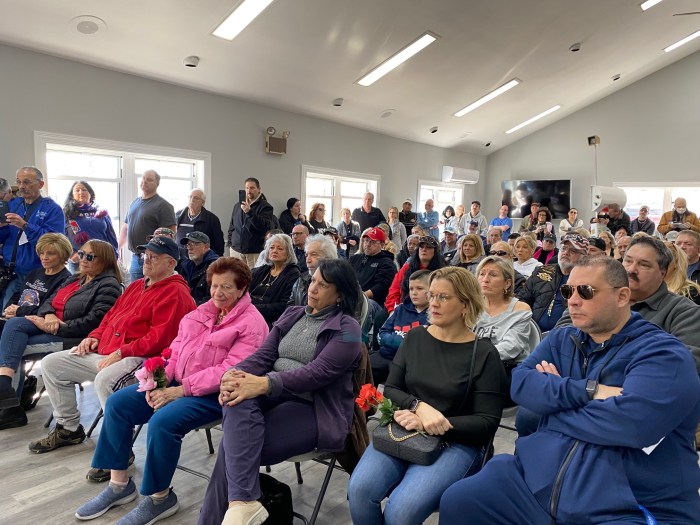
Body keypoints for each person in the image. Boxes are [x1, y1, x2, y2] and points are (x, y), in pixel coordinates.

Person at [440, 256, 700, 525]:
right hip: (536, 482)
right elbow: (520, 383)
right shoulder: (562, 338)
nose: (573, 300)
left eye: (586, 291)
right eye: (568, 291)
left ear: (622, 296)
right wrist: (589, 391)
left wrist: (552, 408)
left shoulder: (662, 354)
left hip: (626, 505)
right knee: (462, 499)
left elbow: (632, 426)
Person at [74, 258, 269, 524]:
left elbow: (228, 371)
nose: (217, 293)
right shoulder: (202, 312)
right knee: (119, 403)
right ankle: (119, 485)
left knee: (163, 422)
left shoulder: (252, 325)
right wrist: (158, 382)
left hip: (214, 395)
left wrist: (179, 392)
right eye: (214, 286)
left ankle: (160, 498)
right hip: (176, 384)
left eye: (226, 287)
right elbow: (175, 352)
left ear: (242, 288)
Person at [197, 259, 363, 525]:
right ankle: (243, 503)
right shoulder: (293, 314)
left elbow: (317, 374)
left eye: (323, 285)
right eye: (313, 281)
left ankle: (236, 507)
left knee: (234, 449)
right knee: (235, 399)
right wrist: (232, 375)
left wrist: (264, 384)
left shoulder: (349, 329)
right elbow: (263, 356)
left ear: (340, 294)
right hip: (273, 394)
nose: (313, 288)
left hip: (313, 407)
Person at [348, 266, 507, 525]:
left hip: (457, 441)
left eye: (443, 297)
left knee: (401, 511)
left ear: (466, 305)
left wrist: (432, 422)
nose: (433, 303)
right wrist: (417, 407)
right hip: (404, 429)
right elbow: (392, 388)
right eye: (432, 295)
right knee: (359, 490)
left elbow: (487, 422)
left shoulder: (484, 354)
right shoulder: (416, 337)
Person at [27, 236, 195, 454]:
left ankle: (119, 452)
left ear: (171, 263)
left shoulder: (176, 293)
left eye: (154, 257)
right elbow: (110, 317)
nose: (146, 260)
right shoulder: (137, 285)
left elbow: (160, 339)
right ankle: (69, 429)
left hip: (147, 360)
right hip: (110, 351)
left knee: (106, 381)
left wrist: (120, 352)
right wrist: (94, 337)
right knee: (52, 364)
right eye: (146, 255)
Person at [0, 239, 122, 429]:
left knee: (16, 346)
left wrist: (57, 327)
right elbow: (49, 301)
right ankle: (5, 386)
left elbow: (94, 323)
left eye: (90, 256)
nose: (82, 259)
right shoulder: (75, 278)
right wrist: (48, 316)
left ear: (105, 260)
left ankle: (11, 408)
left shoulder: (109, 285)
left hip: (72, 337)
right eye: (81, 254)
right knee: (14, 326)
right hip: (50, 325)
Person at [0, 167, 65, 308]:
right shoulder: (13, 205)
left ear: (41, 184)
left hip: (34, 275)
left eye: (27, 182)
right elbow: (6, 237)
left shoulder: (52, 209)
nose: (22, 186)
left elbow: (53, 243)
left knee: (14, 314)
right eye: (19, 182)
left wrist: (25, 226)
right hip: (8, 272)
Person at [475, 256, 532, 396]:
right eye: (482, 274)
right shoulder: (471, 307)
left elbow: (510, 348)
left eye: (493, 275)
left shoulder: (520, 309)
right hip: (471, 366)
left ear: (507, 283)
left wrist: (470, 358)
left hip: (505, 369)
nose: (485, 279)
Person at [517, 232, 588, 333]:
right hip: (531, 331)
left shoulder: (587, 281)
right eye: (563, 248)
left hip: (566, 335)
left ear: (584, 257)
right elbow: (522, 299)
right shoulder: (541, 271)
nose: (566, 252)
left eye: (573, 250)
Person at [372, 270, 430, 385]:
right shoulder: (400, 309)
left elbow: (422, 345)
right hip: (386, 356)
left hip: (410, 363)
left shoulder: (434, 315)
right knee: (361, 367)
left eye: (419, 288)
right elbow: (381, 334)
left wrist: (394, 339)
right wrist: (404, 341)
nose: (414, 293)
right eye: (411, 288)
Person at [119, 169, 177, 283]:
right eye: (143, 178)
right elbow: (125, 228)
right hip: (136, 258)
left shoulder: (164, 206)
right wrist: (117, 249)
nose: (144, 181)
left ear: (157, 184)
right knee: (136, 294)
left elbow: (171, 234)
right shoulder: (134, 203)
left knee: (152, 293)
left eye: (149, 180)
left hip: (154, 260)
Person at [63, 180, 118, 274]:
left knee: (104, 287)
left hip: (102, 259)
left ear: (90, 193)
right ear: (72, 195)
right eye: (77, 190)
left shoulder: (101, 213)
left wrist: (114, 256)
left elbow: (111, 236)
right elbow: (61, 238)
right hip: (79, 261)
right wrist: (71, 256)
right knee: (80, 288)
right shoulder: (67, 214)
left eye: (84, 190)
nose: (81, 192)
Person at [249, 233, 300, 327]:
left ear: (289, 253)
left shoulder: (293, 274)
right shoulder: (263, 270)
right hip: (248, 313)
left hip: (269, 320)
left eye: (280, 248)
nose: (274, 251)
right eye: (272, 248)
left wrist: (253, 308)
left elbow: (283, 306)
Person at [385, 235, 445, 313]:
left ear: (435, 251)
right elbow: (394, 290)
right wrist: (393, 310)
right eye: (421, 247)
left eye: (429, 247)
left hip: (433, 309)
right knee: (380, 317)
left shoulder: (443, 271)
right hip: (405, 307)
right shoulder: (407, 268)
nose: (424, 249)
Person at [227, 177, 275, 268]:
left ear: (259, 189)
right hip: (235, 251)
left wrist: (249, 212)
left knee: (253, 279)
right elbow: (232, 226)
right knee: (236, 278)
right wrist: (231, 243)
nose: (249, 190)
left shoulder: (266, 207)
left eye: (252, 188)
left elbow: (264, 227)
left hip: (254, 253)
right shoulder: (238, 206)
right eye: (247, 188)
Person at [289, 234, 338, 306]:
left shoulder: (341, 281)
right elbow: (290, 307)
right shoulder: (301, 280)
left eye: (313, 254)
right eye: (306, 255)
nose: (307, 260)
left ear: (328, 257)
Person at [175, 188, 225, 257]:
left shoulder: (212, 219)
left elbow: (218, 245)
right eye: (190, 197)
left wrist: (210, 259)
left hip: (201, 261)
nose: (192, 200)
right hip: (180, 259)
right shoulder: (178, 215)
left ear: (203, 202)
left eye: (196, 198)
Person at [179, 231, 220, 305]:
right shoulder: (185, 266)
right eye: (188, 245)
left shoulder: (216, 267)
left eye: (194, 244)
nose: (190, 248)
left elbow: (212, 299)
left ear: (206, 247)